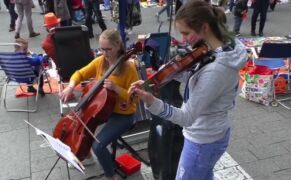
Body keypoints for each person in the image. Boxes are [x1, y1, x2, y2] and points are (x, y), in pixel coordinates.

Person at [129, 1, 248, 180]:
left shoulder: (217, 69)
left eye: (186, 33)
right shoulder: (219, 48)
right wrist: (168, 74)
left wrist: (152, 102)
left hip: (203, 139)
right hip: (212, 133)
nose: (184, 40)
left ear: (205, 27)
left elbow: (186, 117)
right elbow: (198, 80)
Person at [60, 29, 139, 180]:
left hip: (123, 114)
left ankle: (110, 176)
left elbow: (136, 98)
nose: (104, 53)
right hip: (102, 109)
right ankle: (87, 155)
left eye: (108, 49)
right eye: (102, 49)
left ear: (117, 46)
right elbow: (79, 74)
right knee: (83, 125)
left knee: (99, 145)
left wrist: (116, 88)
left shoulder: (129, 68)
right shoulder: (100, 62)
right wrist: (70, 87)